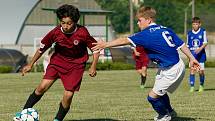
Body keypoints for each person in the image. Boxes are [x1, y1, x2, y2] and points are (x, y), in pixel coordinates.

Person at [92, 6, 200, 121]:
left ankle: (164, 116)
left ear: (149, 20)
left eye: (140, 20)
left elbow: (124, 40)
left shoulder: (146, 34)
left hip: (172, 69)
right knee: (160, 93)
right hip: (171, 66)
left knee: (152, 97)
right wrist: (192, 58)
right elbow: (181, 44)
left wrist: (105, 44)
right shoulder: (165, 29)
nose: (138, 23)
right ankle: (171, 112)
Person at [13, 4, 100, 121]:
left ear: (75, 21)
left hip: (76, 66)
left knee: (68, 95)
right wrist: (31, 64)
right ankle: (23, 114)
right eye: (63, 22)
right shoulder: (55, 32)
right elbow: (42, 48)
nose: (65, 26)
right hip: (57, 62)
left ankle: (57, 119)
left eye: (69, 23)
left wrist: (93, 66)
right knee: (41, 87)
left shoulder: (82, 32)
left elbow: (96, 49)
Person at [187, 17, 208, 92]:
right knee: (192, 70)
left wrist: (199, 49)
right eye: (193, 24)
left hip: (201, 55)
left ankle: (201, 85)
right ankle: (192, 87)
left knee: (201, 71)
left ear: (199, 24)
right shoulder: (189, 33)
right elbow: (187, 46)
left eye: (196, 24)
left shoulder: (203, 31)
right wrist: (188, 56)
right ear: (192, 25)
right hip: (192, 56)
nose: (195, 25)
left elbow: (205, 43)